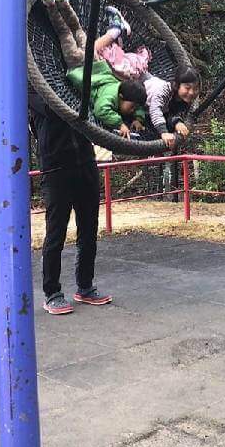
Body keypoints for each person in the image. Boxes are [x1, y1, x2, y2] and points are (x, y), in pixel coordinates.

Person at [29, 91, 111, 315]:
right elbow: (53, 110)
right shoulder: (34, 92)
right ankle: (52, 293)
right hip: (56, 170)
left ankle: (85, 286)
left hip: (85, 164)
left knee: (89, 230)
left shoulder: (72, 87)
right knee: (56, 233)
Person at [65, 60, 149, 140]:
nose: (133, 110)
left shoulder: (128, 95)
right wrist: (120, 124)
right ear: (121, 96)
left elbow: (139, 107)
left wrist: (138, 119)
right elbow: (100, 110)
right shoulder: (109, 97)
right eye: (132, 107)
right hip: (91, 80)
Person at [144, 66, 200, 150]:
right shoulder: (163, 91)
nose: (192, 92)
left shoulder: (184, 99)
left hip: (159, 110)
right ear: (177, 85)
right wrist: (164, 132)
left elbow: (172, 114)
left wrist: (177, 123)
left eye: (195, 88)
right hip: (141, 102)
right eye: (187, 88)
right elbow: (155, 110)